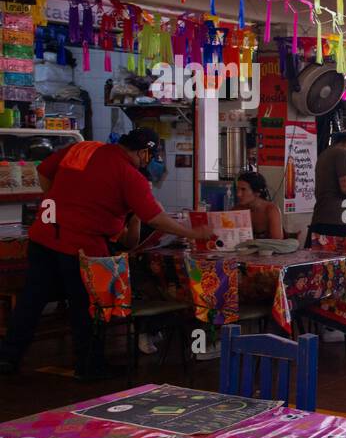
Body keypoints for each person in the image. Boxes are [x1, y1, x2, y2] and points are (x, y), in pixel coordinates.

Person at [0, 128, 210, 379]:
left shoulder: (82, 148)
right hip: (83, 247)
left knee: (31, 301)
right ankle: (89, 367)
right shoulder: (130, 176)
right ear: (144, 153)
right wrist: (192, 232)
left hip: (44, 236)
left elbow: (43, 171)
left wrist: (58, 200)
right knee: (87, 307)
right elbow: (154, 218)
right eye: (150, 155)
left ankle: (7, 358)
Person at [310, 126, 346, 238]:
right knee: (342, 256)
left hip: (323, 218)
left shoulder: (327, 153)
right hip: (337, 222)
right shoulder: (343, 153)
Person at [235, 170, 284, 240]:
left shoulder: (271, 210)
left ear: (257, 192)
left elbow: (277, 241)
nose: (238, 194)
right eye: (238, 189)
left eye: (243, 189)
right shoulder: (237, 210)